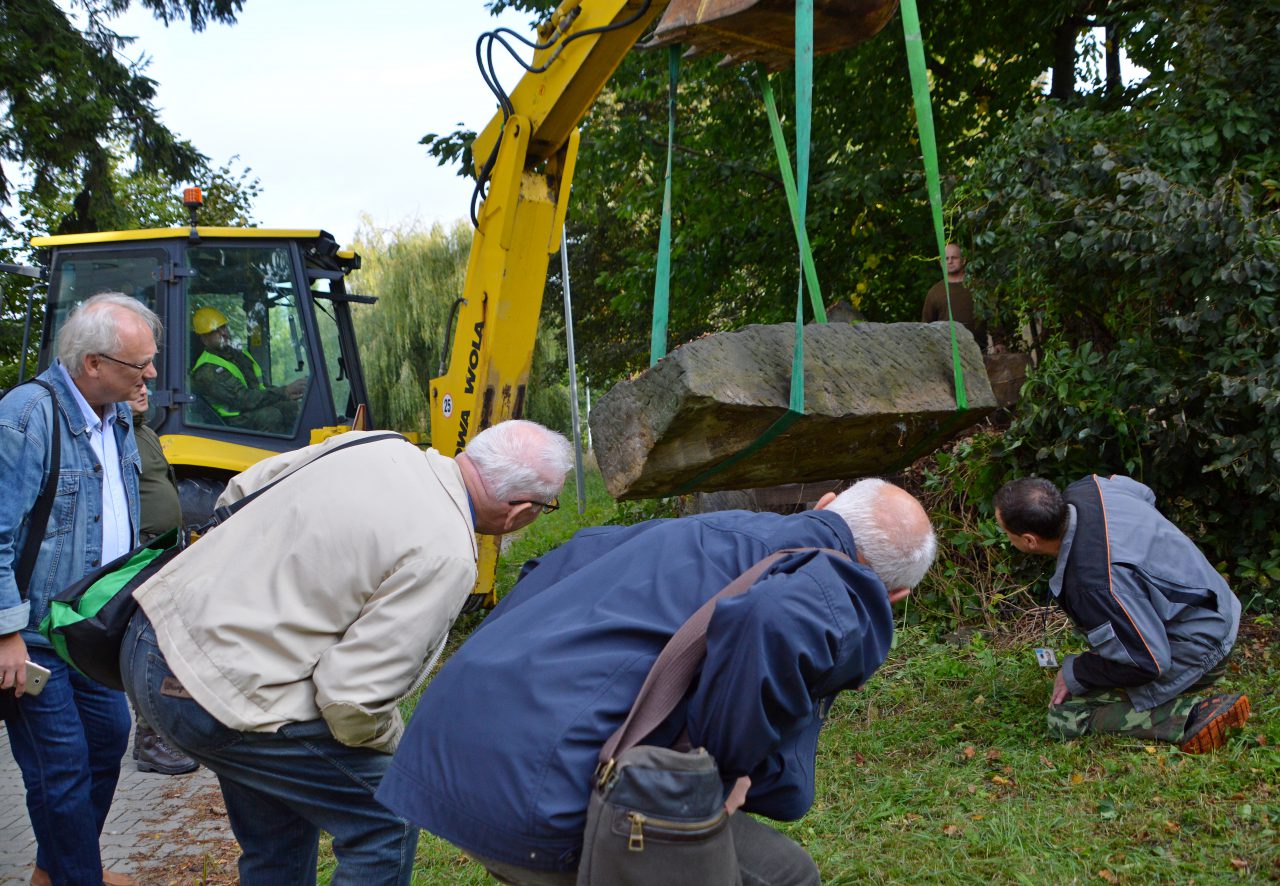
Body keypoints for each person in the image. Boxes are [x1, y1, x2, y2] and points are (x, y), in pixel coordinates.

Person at [378, 478, 937, 886]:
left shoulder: (696, 530)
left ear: (827, 503)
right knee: (787, 876)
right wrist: (724, 770)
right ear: (892, 599)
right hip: (536, 799)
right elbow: (777, 621)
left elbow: (547, 568)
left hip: (443, 756)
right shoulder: (828, 579)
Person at [120, 420, 574, 886]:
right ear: (521, 510)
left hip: (153, 637)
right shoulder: (447, 553)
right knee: (387, 817)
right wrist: (397, 746)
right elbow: (351, 700)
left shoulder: (373, 444)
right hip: (214, 692)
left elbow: (236, 494)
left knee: (280, 833)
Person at [0, 292, 159, 886]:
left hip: (89, 627)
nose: (149, 375)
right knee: (60, 766)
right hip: (35, 634)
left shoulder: (115, 415)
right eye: (137, 364)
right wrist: (7, 633)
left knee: (106, 742)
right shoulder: (26, 417)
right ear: (92, 363)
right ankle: (77, 875)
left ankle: (63, 869)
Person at [993, 475, 1250, 752]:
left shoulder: (1091, 585)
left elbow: (1148, 662)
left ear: (1030, 540)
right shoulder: (1093, 487)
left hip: (1203, 647)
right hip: (1221, 604)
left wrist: (1077, 672)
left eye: (1006, 532)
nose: (1006, 537)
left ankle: (1191, 715)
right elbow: (1145, 494)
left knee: (1065, 714)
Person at [126, 385, 198, 776]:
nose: (146, 389)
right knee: (151, 647)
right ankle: (152, 742)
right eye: (135, 383)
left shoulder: (144, 432)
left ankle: (167, 733)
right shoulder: (116, 435)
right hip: (140, 557)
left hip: (161, 553)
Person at [189, 306, 305, 432]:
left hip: (249, 410)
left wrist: (285, 395)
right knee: (270, 416)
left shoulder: (238, 355)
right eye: (215, 331)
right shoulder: (207, 370)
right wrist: (284, 392)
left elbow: (260, 388)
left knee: (293, 408)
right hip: (229, 424)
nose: (224, 333)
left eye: (223, 327)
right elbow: (243, 399)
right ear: (204, 339)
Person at [921, 243, 994, 352]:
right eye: (946, 258)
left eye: (954, 258)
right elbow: (927, 325)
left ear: (963, 260)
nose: (950, 261)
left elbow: (993, 315)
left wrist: (999, 342)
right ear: (941, 263)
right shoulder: (935, 292)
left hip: (978, 351)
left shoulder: (978, 287)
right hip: (946, 353)